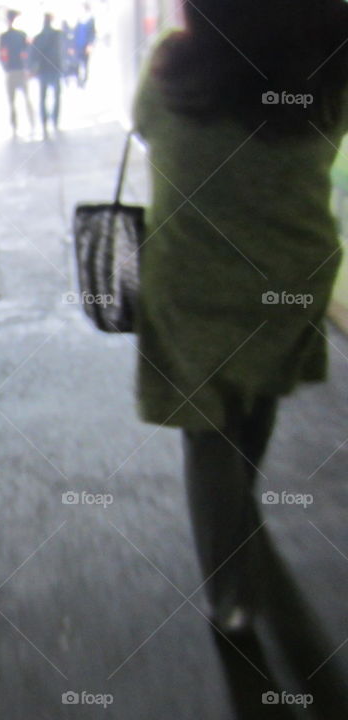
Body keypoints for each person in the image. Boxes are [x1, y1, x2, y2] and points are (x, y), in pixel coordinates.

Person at [133, 0, 348, 633]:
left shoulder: (175, 65)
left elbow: (145, 126)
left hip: (193, 276)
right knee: (259, 391)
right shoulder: (327, 66)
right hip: (290, 272)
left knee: (207, 430)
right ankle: (241, 503)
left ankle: (230, 599)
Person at [0, 10, 35, 137]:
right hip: (18, 70)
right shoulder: (20, 35)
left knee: (15, 101)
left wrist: (6, 67)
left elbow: (1, 54)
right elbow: (28, 53)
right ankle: (30, 124)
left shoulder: (5, 36)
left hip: (13, 71)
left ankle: (18, 126)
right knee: (23, 100)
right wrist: (27, 68)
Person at [32, 13, 64, 139]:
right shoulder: (57, 35)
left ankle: (44, 121)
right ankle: (54, 120)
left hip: (43, 70)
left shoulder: (38, 37)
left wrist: (32, 68)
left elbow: (34, 55)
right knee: (56, 96)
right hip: (54, 68)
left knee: (43, 97)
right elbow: (61, 51)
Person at [73, 4, 96, 87]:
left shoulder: (90, 20)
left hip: (85, 46)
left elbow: (92, 34)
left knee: (85, 64)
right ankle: (79, 80)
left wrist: (90, 45)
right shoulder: (79, 20)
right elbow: (75, 33)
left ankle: (84, 81)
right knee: (77, 63)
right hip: (78, 45)